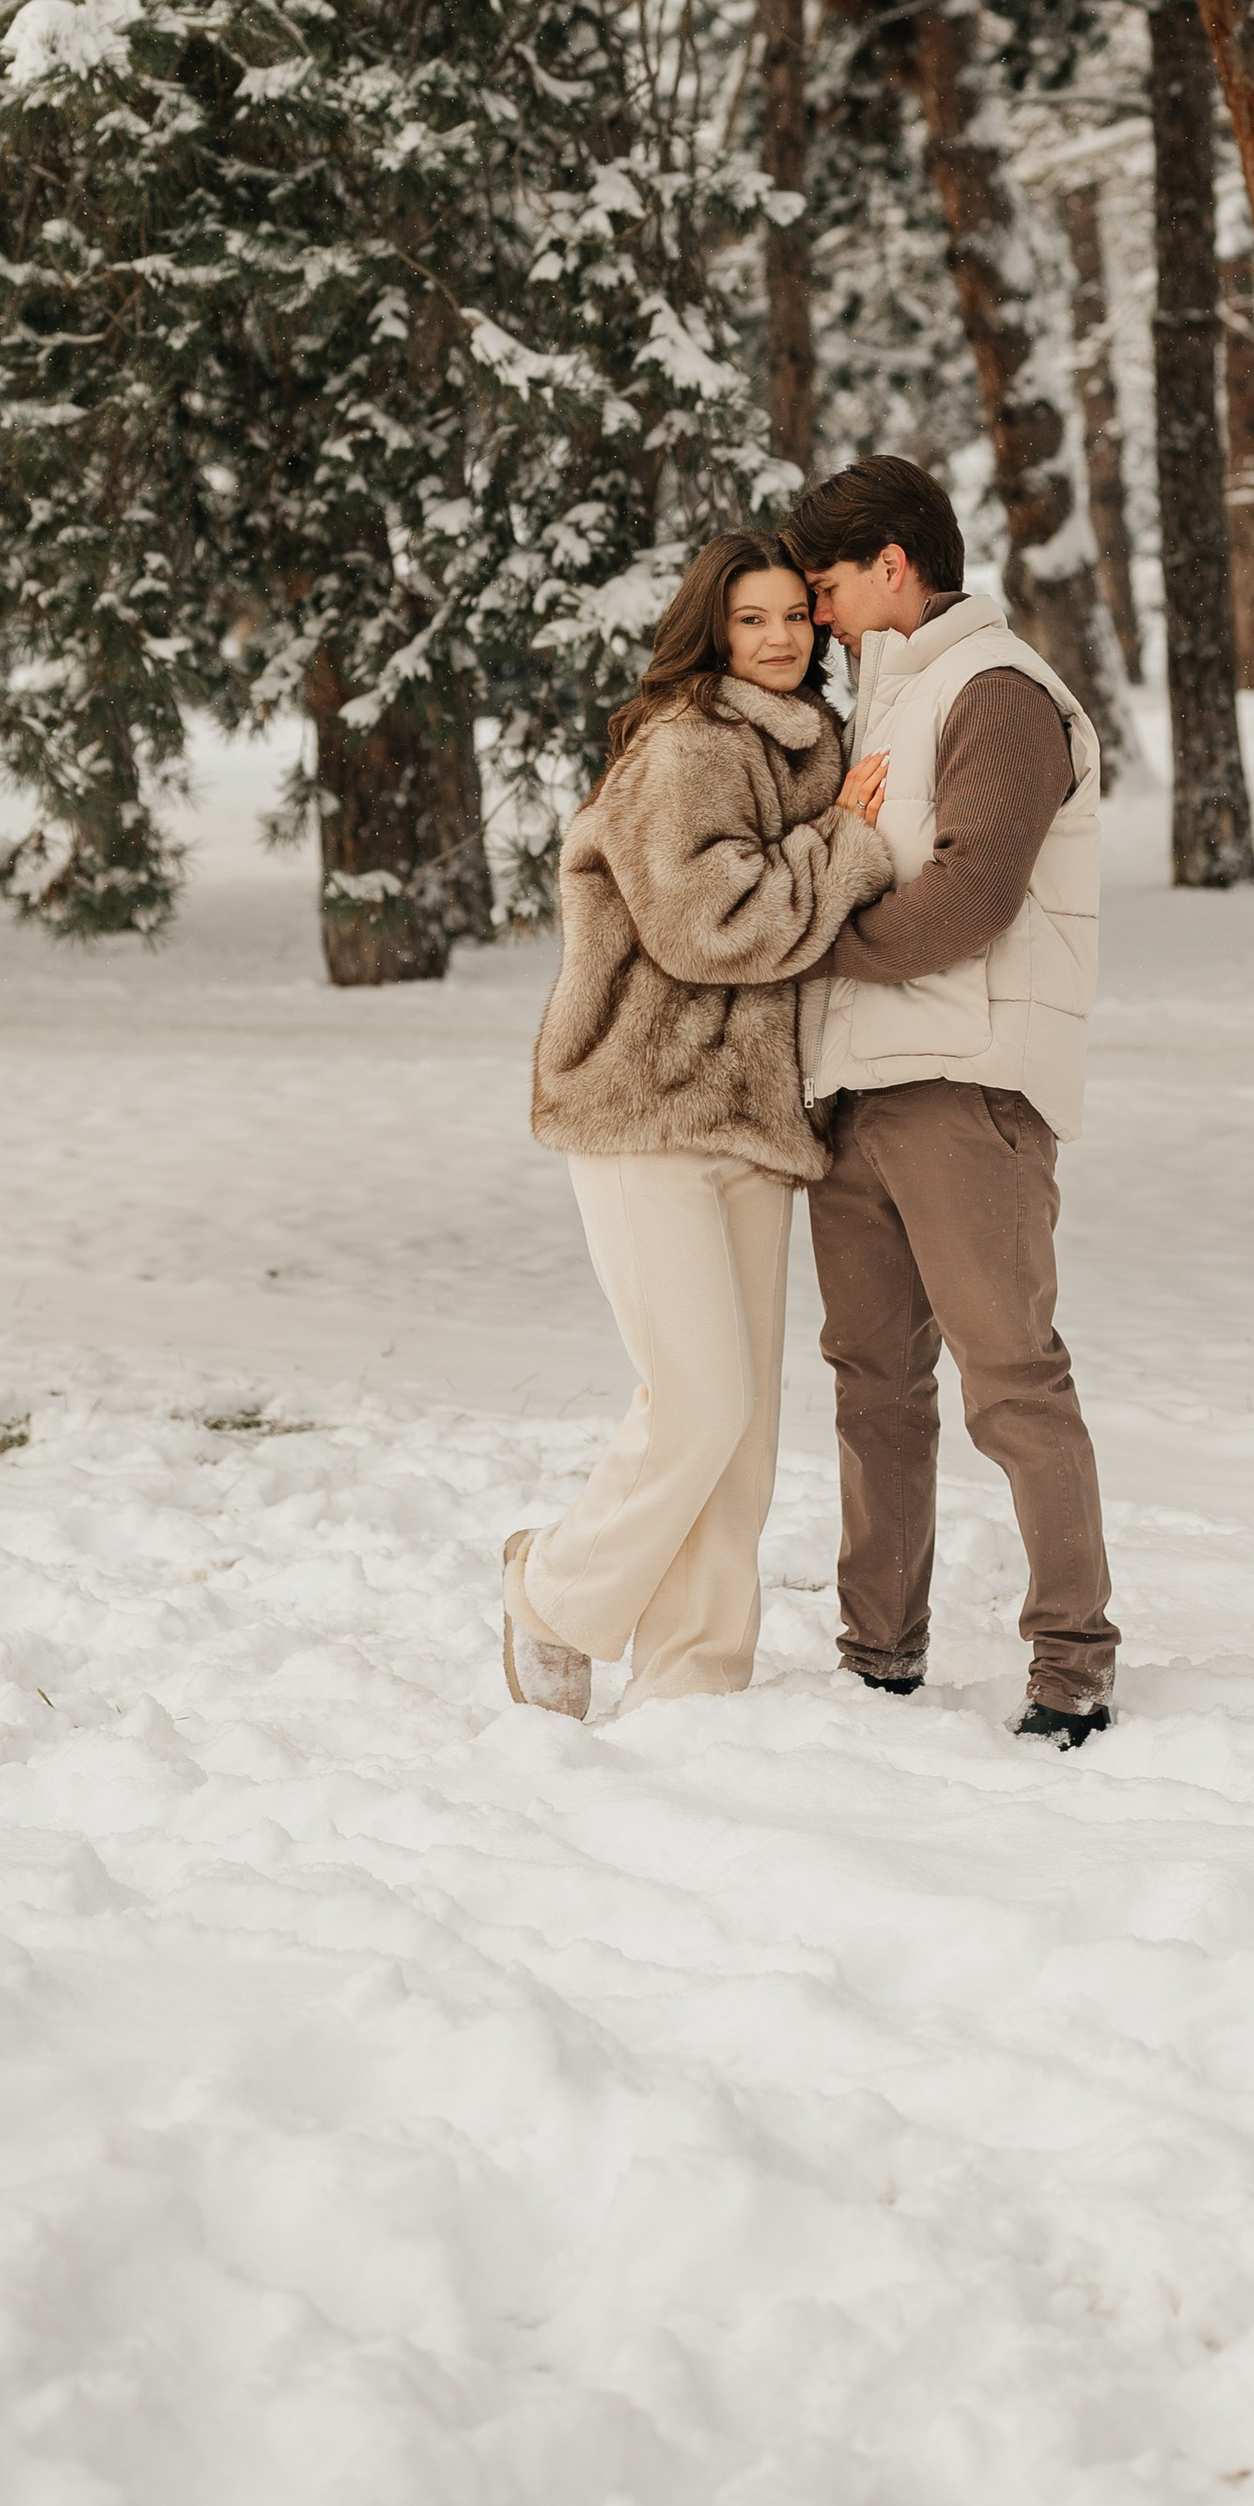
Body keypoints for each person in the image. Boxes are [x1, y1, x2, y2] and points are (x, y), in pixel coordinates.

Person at [505, 532, 894, 1720]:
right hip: (645, 1107)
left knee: (746, 1428)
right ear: (710, 630)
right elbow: (705, 924)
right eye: (749, 618)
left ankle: (693, 1679)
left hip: (756, 1120)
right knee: (699, 1398)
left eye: (793, 615)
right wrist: (841, 845)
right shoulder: (685, 745)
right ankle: (549, 1591)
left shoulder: (813, 744)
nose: (778, 637)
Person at [783, 456, 1118, 1747]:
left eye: (827, 586)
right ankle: (878, 1652)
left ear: (893, 565)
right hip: (858, 1092)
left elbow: (970, 898)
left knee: (1011, 1383)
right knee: (872, 1383)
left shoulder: (1000, 691)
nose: (815, 613)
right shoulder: (885, 697)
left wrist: (814, 942)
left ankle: (1072, 1663)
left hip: (966, 1091)